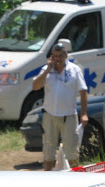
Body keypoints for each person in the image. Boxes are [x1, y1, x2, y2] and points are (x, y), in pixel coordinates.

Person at [32, 43, 88, 171]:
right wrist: (47, 70)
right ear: (52, 57)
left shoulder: (74, 70)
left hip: (68, 116)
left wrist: (84, 113)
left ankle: (75, 178)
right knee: (48, 151)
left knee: (72, 152)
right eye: (55, 56)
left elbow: (83, 92)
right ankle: (49, 176)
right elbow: (35, 86)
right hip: (50, 115)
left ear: (66, 55)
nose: (58, 59)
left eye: (60, 56)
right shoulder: (46, 70)